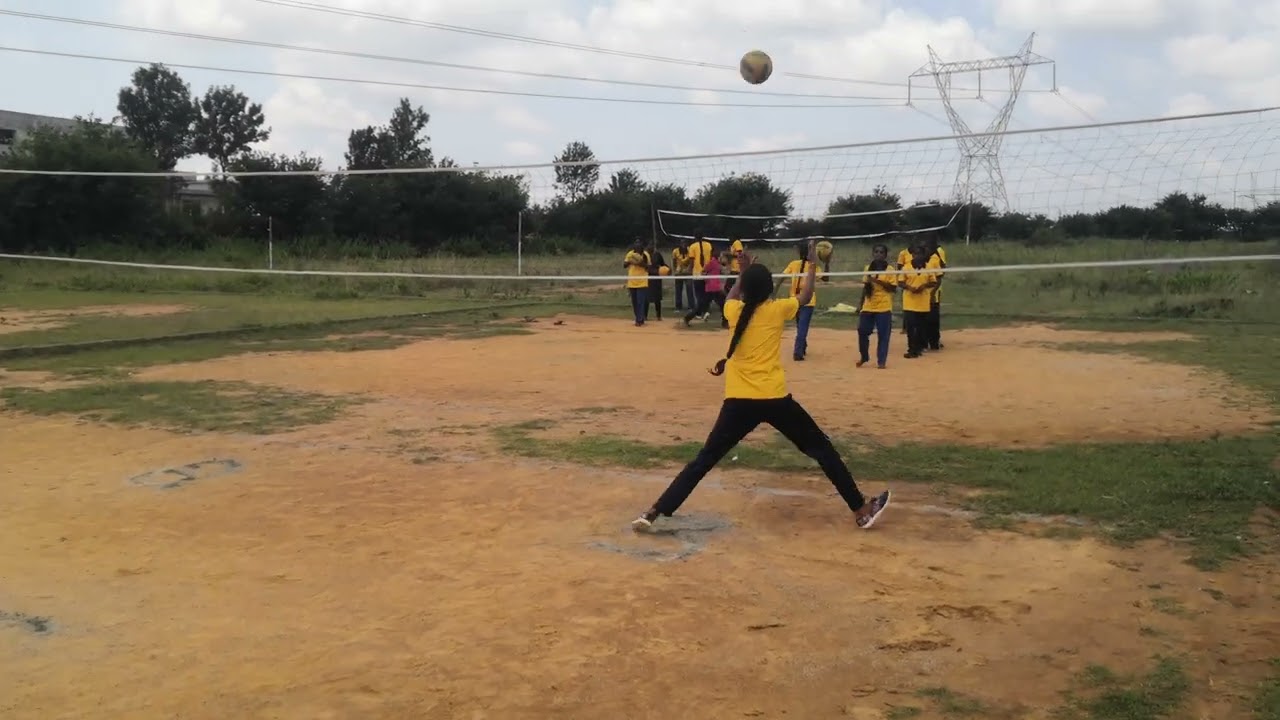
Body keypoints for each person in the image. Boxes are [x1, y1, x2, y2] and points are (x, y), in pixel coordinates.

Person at [633, 239, 891, 532]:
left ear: (744, 289)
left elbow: (733, 296)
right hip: (774, 399)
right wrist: (812, 265)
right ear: (769, 290)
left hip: (738, 402)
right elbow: (806, 295)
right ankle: (861, 510)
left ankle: (653, 511)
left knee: (704, 460)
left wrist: (742, 272)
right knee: (822, 450)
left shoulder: (733, 311)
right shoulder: (776, 309)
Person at [776, 240, 829, 361]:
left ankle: (798, 352)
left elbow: (825, 278)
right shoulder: (795, 264)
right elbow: (782, 277)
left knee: (802, 326)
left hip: (807, 301)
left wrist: (826, 263)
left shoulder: (812, 266)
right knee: (800, 326)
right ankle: (802, 346)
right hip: (795, 301)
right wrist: (774, 291)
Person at [856, 244, 897, 369]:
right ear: (873, 253)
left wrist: (877, 281)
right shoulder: (868, 268)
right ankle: (864, 356)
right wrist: (860, 304)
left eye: (881, 252)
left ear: (885, 255)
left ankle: (881, 361)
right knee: (862, 331)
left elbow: (893, 288)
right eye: (876, 252)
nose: (878, 254)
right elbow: (865, 288)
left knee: (883, 335)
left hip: (884, 306)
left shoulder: (890, 270)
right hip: (868, 305)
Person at [900, 245, 938, 358]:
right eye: (915, 254)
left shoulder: (928, 267)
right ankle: (911, 349)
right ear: (912, 255)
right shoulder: (906, 267)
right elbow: (900, 282)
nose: (917, 256)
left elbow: (933, 282)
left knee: (921, 327)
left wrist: (924, 286)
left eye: (920, 254)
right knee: (911, 326)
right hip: (909, 301)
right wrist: (909, 287)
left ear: (923, 255)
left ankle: (919, 347)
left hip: (923, 301)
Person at [683, 252, 727, 327]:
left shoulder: (717, 263)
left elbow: (721, 270)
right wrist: (707, 279)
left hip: (715, 288)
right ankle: (687, 318)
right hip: (712, 288)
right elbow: (703, 271)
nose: (723, 259)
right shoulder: (712, 262)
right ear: (718, 257)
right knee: (721, 304)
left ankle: (687, 318)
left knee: (721, 304)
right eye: (722, 257)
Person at [925, 236, 947, 350]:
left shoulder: (938, 253)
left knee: (933, 317)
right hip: (920, 294)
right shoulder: (918, 256)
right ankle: (923, 341)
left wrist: (933, 290)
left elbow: (942, 269)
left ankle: (934, 341)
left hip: (934, 291)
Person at [623, 240, 650, 327]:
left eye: (639, 245)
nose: (638, 246)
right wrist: (631, 261)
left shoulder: (645, 255)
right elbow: (624, 265)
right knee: (634, 302)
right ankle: (639, 317)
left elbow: (648, 267)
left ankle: (639, 320)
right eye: (636, 245)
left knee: (640, 301)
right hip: (632, 281)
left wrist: (641, 263)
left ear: (642, 246)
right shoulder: (630, 254)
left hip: (642, 281)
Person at [687, 234, 715, 319]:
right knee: (706, 293)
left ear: (695, 237)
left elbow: (692, 261)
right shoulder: (708, 245)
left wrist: (689, 271)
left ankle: (699, 313)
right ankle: (706, 311)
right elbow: (711, 258)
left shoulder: (692, 246)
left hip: (697, 274)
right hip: (707, 273)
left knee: (699, 294)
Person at [644, 241, 669, 322]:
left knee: (657, 298)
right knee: (646, 298)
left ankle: (658, 316)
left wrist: (668, 269)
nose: (651, 247)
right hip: (647, 278)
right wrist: (651, 271)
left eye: (652, 245)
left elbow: (663, 264)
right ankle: (644, 316)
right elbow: (644, 267)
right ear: (647, 246)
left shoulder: (657, 254)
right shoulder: (644, 255)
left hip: (657, 278)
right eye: (649, 245)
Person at [671, 240, 695, 311]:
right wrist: (675, 270)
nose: (684, 245)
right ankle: (678, 307)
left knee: (689, 289)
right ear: (679, 244)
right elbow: (674, 261)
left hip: (688, 272)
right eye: (682, 243)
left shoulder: (690, 250)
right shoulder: (675, 251)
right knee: (678, 289)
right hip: (679, 272)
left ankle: (691, 306)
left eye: (685, 243)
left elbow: (692, 261)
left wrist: (689, 269)